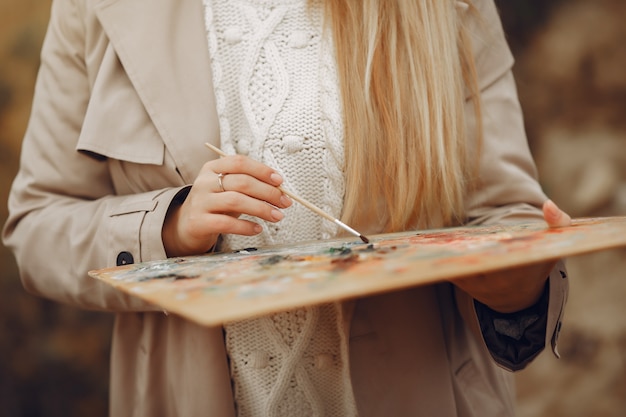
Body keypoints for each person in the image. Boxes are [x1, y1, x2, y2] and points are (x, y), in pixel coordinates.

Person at [3, 0, 572, 415]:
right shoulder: (93, 8)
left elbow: (509, 218)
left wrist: (516, 286)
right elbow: (37, 228)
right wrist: (169, 224)